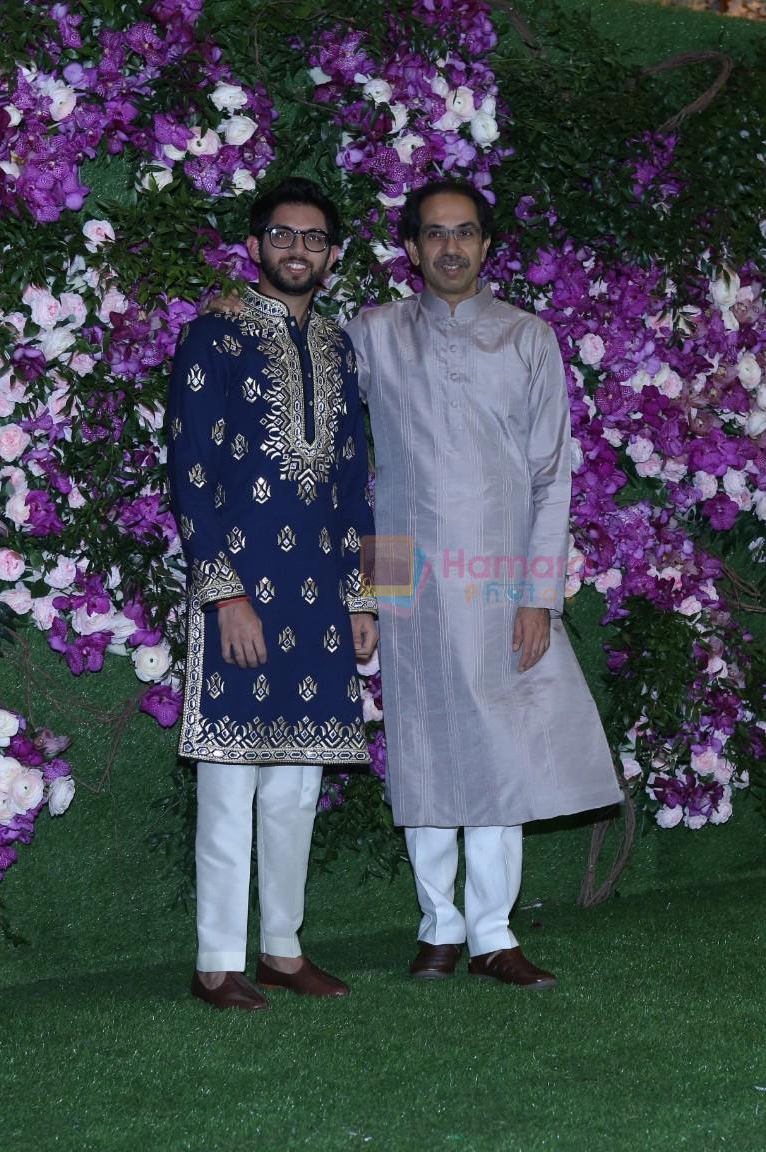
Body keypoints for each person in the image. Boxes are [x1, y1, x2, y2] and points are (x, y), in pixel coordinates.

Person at [348, 179, 623, 989]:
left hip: (501, 578)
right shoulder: (373, 335)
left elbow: (550, 475)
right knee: (424, 749)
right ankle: (439, 926)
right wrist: (367, 591)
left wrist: (540, 593)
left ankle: (493, 932)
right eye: (434, 234)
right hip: (405, 569)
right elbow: (350, 463)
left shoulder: (528, 337)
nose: (450, 247)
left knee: (500, 752)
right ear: (410, 249)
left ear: (488, 246)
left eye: (465, 232)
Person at [166, 177, 378, 1011]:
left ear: (332, 255)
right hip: (243, 592)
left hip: (324, 600)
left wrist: (370, 596)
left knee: (296, 787)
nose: (299, 249)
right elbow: (190, 475)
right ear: (254, 247)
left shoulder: (338, 346)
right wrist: (224, 597)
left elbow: (362, 480)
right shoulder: (211, 337)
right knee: (231, 781)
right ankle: (217, 960)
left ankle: (284, 950)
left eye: (315, 238)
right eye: (283, 236)